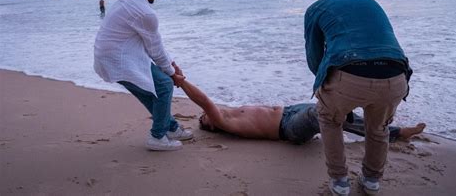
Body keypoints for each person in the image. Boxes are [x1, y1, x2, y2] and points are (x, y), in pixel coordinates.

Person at [304, 0, 412, 195]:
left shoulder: (317, 8)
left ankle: (340, 182)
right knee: (378, 128)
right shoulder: (372, 3)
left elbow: (314, 56)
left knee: (329, 119)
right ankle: (372, 180)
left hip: (350, 75)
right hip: (396, 76)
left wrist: (324, 83)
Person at [94, 0, 193, 151]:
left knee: (152, 91)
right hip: (117, 59)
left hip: (108, 57)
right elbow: (155, 49)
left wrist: (172, 66)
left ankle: (170, 127)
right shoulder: (145, 12)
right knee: (163, 86)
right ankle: (157, 137)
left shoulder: (128, 0)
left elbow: (153, 46)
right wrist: (172, 74)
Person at [179, 80, 424, 143]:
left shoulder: (231, 111)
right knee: (325, 112)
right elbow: (204, 101)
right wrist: (180, 80)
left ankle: (383, 126)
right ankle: (395, 132)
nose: (204, 114)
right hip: (289, 129)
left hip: (291, 111)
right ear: (213, 125)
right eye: (204, 118)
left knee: (337, 112)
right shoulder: (224, 122)